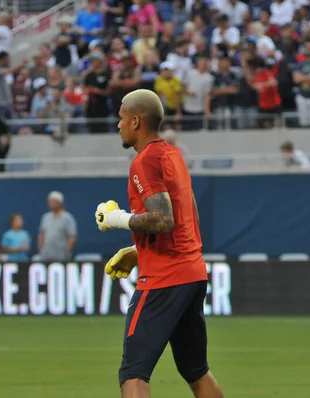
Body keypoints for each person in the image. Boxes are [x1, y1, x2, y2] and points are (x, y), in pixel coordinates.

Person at [94, 89, 223, 398]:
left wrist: (116, 219)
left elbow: (163, 219)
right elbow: (186, 220)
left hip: (164, 280)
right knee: (196, 370)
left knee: (133, 373)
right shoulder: (173, 156)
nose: (118, 125)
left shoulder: (144, 161)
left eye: (122, 119)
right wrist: (139, 252)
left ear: (136, 121)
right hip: (192, 275)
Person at [0, 51, 28, 120]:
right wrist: (21, 64)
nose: (8, 62)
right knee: (1, 126)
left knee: (11, 125)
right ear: (2, 59)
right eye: (7, 60)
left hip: (6, 103)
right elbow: (6, 72)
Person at [38, 191, 78, 262]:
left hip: (61, 256)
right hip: (46, 256)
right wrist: (41, 249)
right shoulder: (46, 217)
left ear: (59, 203)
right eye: (49, 202)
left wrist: (67, 251)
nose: (50, 204)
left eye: (52, 202)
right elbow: (42, 234)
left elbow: (72, 236)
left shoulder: (67, 218)